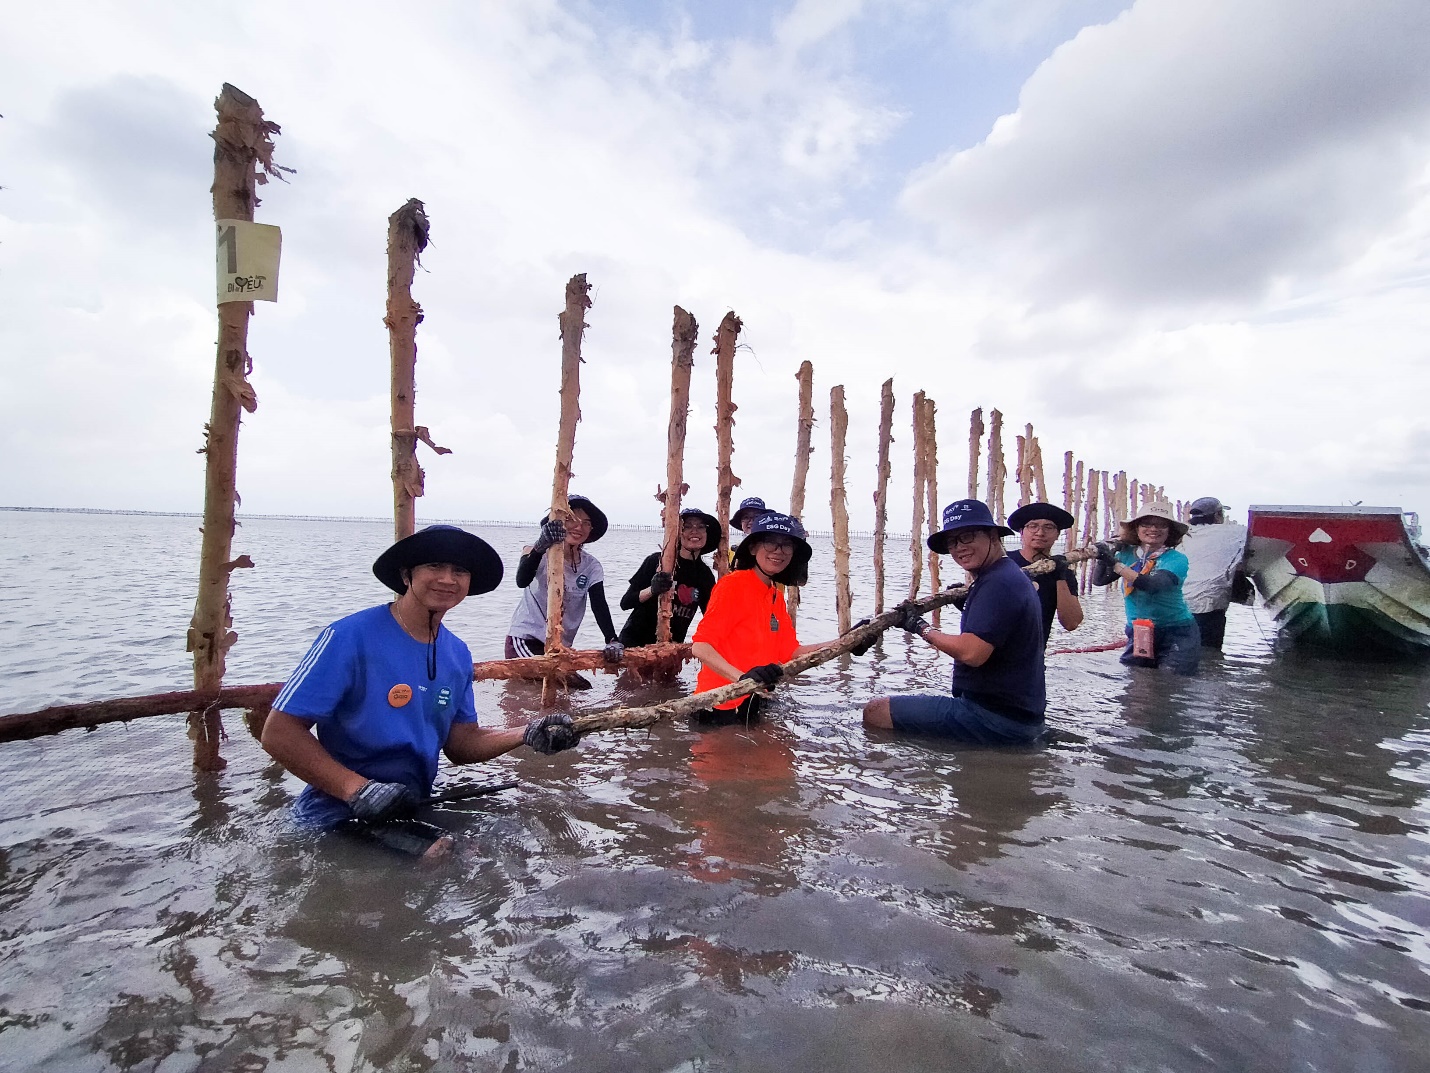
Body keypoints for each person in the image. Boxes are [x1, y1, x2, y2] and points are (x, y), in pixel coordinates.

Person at [261, 525, 580, 859]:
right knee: (444, 857)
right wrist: (357, 790)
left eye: (460, 570)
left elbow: (462, 744)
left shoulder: (457, 653)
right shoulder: (348, 637)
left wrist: (526, 732)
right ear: (406, 575)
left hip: (411, 803)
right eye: (434, 566)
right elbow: (279, 732)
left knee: (516, 833)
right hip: (335, 810)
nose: (447, 579)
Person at [862, 499, 1048, 745]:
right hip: (1020, 715)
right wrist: (970, 604)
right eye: (952, 541)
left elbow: (972, 654)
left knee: (876, 712)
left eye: (967, 537)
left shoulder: (997, 584)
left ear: (992, 535)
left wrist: (919, 627)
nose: (959, 548)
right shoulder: (1006, 575)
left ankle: (929, 764)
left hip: (995, 718)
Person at [690, 512, 838, 723]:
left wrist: (847, 641)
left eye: (786, 545)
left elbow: (792, 653)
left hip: (752, 700)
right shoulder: (733, 586)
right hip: (717, 703)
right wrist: (742, 678)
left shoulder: (775, 596)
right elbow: (701, 647)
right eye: (770, 543)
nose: (778, 551)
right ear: (752, 548)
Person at [505, 494, 623, 687]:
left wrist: (612, 640)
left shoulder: (591, 566)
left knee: (580, 688)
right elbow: (521, 580)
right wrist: (541, 546)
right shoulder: (534, 551)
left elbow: (599, 604)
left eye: (586, 523)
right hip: (526, 640)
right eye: (571, 519)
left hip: (559, 646)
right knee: (559, 685)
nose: (578, 527)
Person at [1091, 501, 1200, 675]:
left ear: (1169, 531)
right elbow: (1099, 580)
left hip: (1176, 632)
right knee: (1137, 682)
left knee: (1171, 682)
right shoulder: (1126, 554)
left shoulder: (1176, 559)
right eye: (1146, 524)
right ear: (1136, 529)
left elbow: (1152, 585)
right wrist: (1103, 556)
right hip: (1139, 630)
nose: (1153, 529)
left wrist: (1114, 563)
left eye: (1161, 525)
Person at [617, 507, 719, 646]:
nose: (694, 531)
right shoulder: (656, 561)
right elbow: (625, 603)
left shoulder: (704, 575)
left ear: (707, 534)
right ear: (677, 532)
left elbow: (711, 616)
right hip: (634, 645)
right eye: (687, 526)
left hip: (670, 651)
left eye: (701, 527)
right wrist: (652, 590)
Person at [1006, 502, 1084, 644]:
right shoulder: (1003, 562)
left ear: (1057, 534)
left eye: (1048, 527)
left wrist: (1059, 576)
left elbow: (1071, 623)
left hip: (1033, 658)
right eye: (1033, 526)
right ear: (1022, 532)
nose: (1040, 532)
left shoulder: (1062, 570)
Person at [1180, 497, 1250, 650]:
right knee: (1209, 656)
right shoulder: (1235, 533)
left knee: (1179, 653)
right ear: (1218, 515)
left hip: (1175, 606)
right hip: (1208, 608)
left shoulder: (1181, 534)